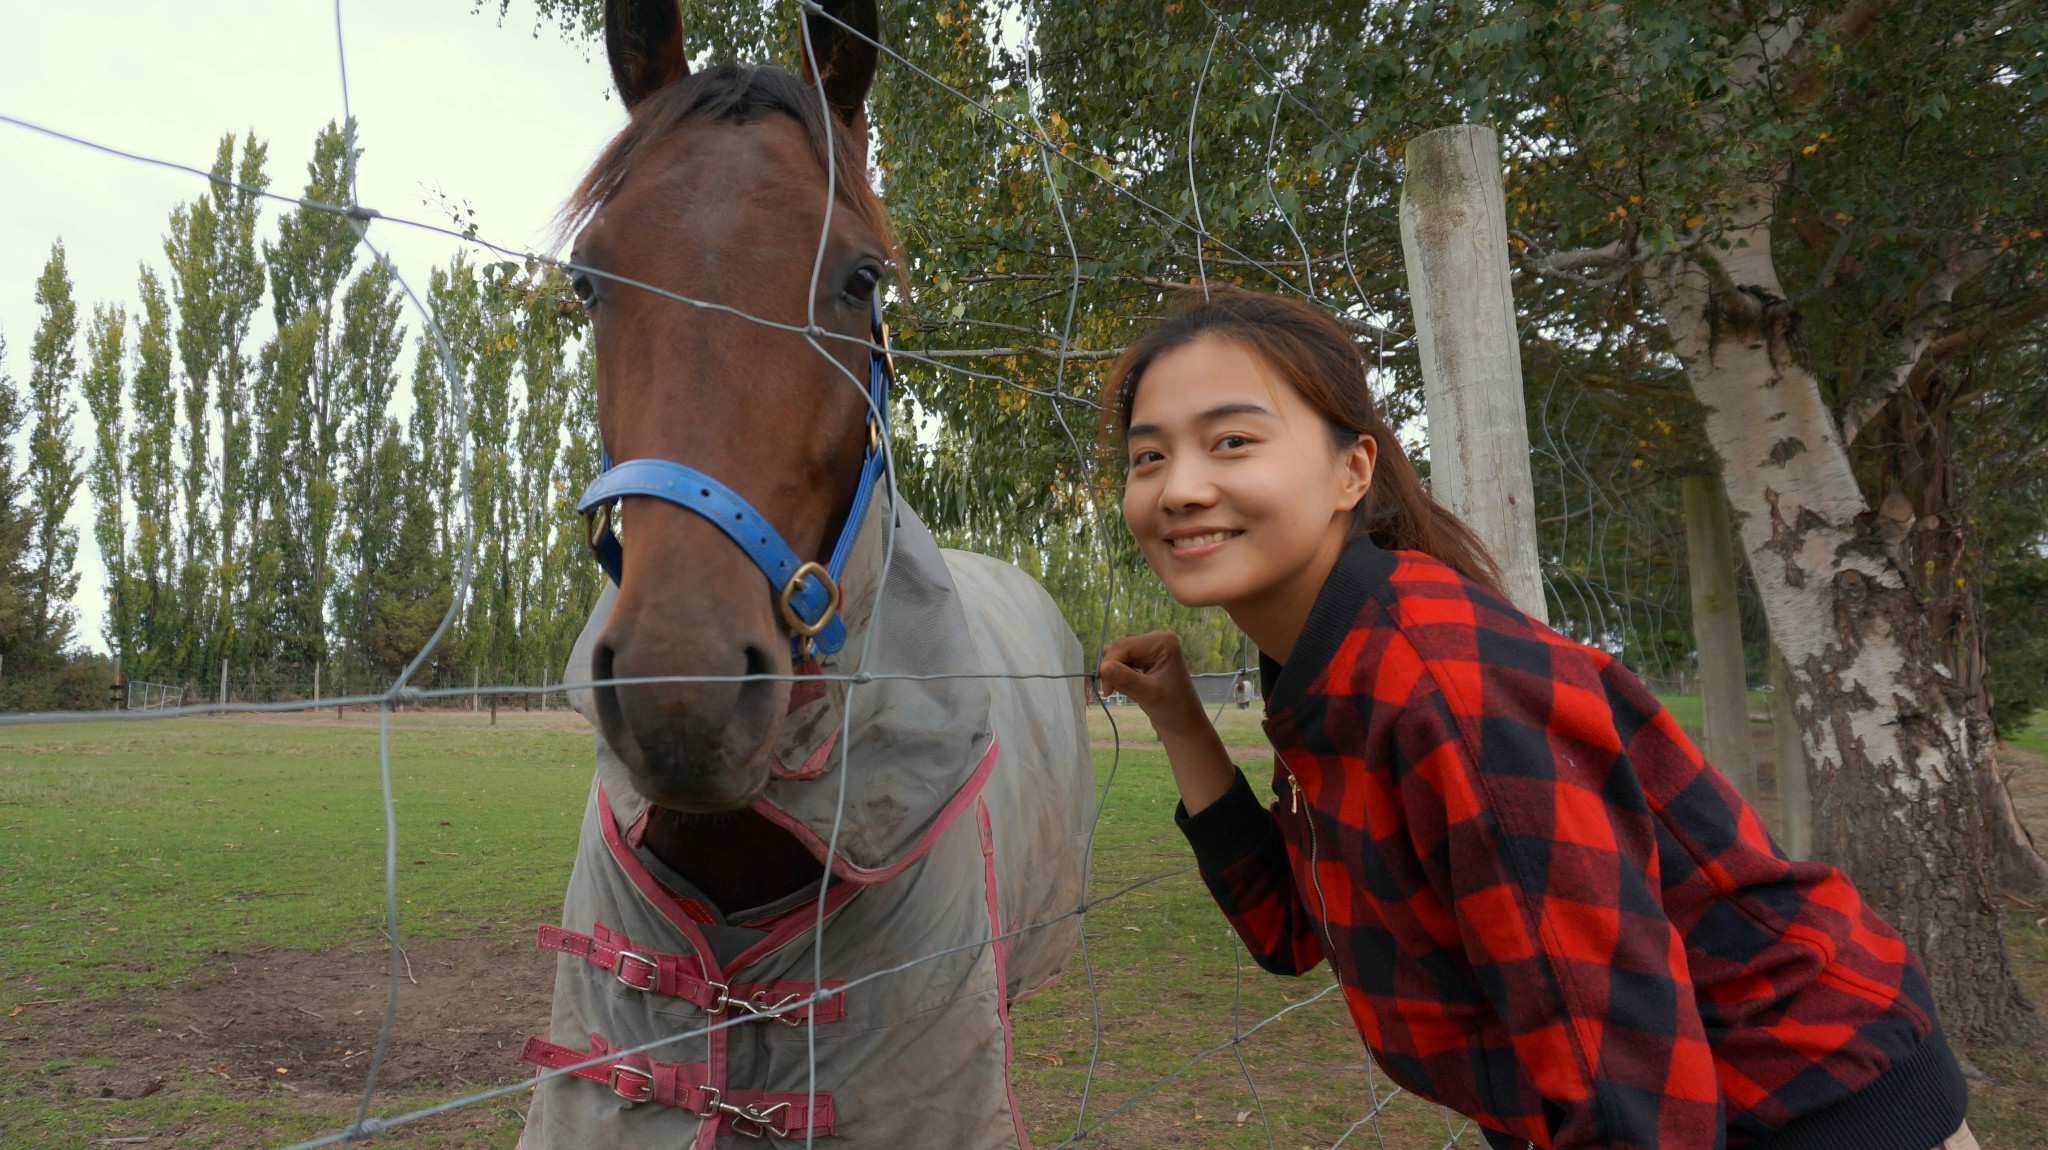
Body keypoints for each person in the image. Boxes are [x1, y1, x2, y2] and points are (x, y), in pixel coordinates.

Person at [1095, 287, 1972, 1150]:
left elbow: (1628, 1085)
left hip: (1806, 1106)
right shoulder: (1327, 669)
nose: (1180, 489)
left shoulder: (1439, 687)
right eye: (1148, 457)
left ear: (1350, 471)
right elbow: (1289, 930)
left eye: (1232, 442)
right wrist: (1181, 722)